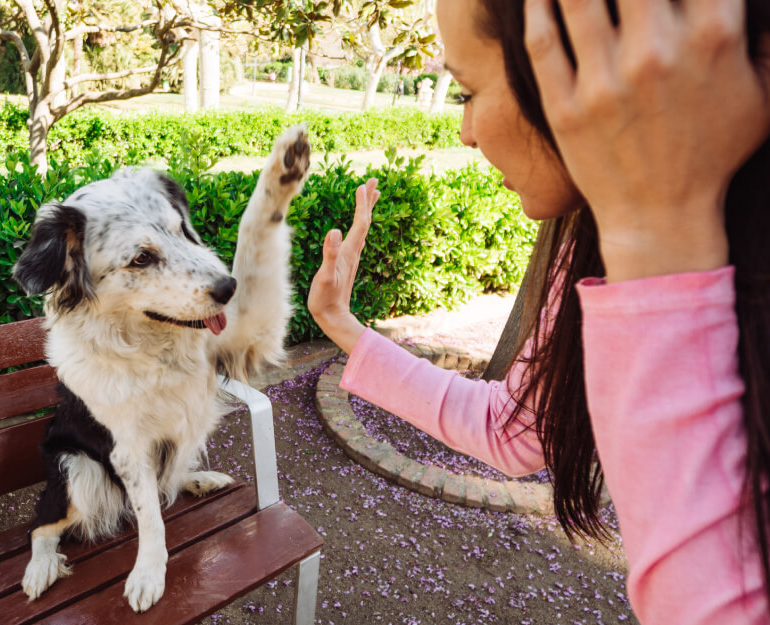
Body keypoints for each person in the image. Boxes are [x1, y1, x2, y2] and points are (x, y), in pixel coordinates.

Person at [307, 1, 770, 623]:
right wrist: (342, 323)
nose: (465, 132)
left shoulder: (641, 232)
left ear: (577, 54)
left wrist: (657, 233)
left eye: (468, 91)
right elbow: (514, 429)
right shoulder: (594, 241)